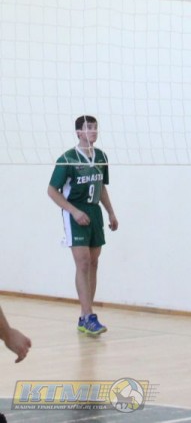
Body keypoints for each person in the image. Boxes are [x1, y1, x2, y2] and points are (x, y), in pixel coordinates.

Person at [48, 115, 118, 336]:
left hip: (94, 212)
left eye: (95, 127)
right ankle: (89, 316)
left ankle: (84, 316)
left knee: (94, 263)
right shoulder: (67, 159)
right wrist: (74, 211)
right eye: (89, 127)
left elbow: (102, 187)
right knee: (83, 262)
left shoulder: (101, 157)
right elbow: (52, 191)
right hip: (75, 212)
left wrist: (111, 212)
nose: (93, 131)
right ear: (78, 132)